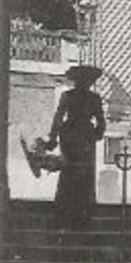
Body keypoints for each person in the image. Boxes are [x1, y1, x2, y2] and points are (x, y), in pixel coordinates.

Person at [47, 64, 106, 227]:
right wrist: (96, 134)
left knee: (72, 170)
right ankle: (80, 211)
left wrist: (53, 138)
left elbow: (58, 118)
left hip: (72, 134)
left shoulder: (70, 96)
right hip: (82, 135)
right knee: (80, 171)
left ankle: (67, 210)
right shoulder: (92, 98)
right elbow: (101, 121)